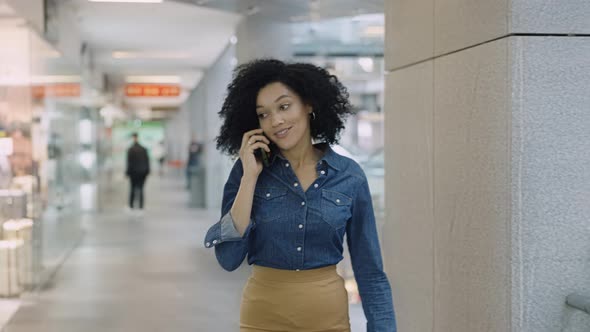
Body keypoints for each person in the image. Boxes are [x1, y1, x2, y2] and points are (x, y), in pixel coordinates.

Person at [203, 59, 396, 331]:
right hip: (263, 319)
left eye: (284, 106)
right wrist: (249, 178)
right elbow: (229, 258)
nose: (276, 121)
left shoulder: (348, 175)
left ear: (308, 105)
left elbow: (370, 271)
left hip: (328, 320)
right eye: (263, 114)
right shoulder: (247, 172)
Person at [126, 132, 150, 212]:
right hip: (142, 172)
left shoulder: (131, 149)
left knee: (133, 189)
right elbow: (147, 161)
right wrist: (147, 171)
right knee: (141, 189)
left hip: (134, 173)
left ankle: (131, 206)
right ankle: (141, 206)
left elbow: (129, 163)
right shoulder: (143, 149)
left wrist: (127, 172)